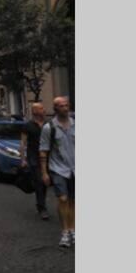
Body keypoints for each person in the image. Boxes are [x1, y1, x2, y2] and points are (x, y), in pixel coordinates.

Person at [40, 96, 75, 248]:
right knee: (62, 199)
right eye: (61, 106)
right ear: (55, 109)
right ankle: (65, 232)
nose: (65, 108)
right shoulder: (49, 128)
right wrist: (44, 173)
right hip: (58, 169)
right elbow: (43, 151)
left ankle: (73, 229)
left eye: (67, 105)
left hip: (75, 168)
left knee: (73, 201)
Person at [21, 103, 50, 221]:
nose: (44, 110)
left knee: (46, 182)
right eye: (41, 108)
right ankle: (42, 208)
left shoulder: (49, 124)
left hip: (48, 157)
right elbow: (23, 143)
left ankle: (40, 204)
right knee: (39, 181)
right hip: (34, 158)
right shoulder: (28, 126)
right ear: (35, 111)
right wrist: (23, 159)